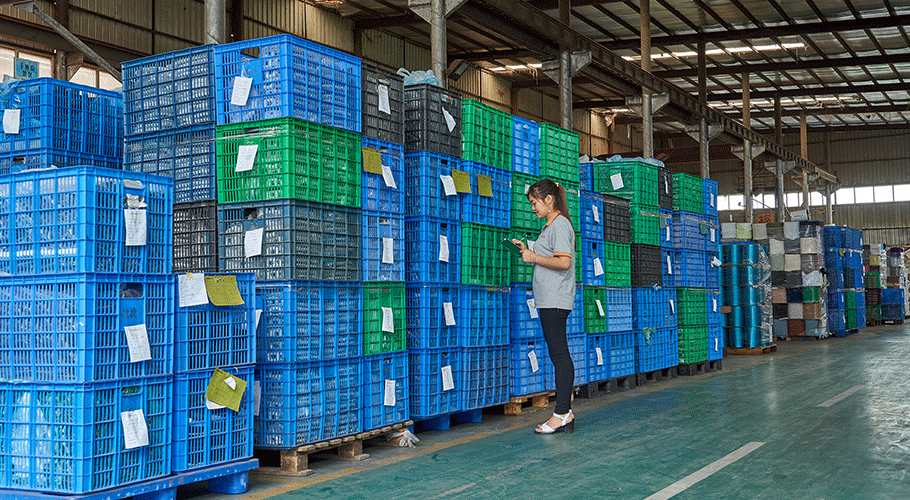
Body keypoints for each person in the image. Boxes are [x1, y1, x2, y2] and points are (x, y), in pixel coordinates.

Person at [511, 179, 576, 434]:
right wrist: (527, 249)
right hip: (549, 299)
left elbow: (564, 262)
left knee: (560, 355)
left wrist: (533, 257)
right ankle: (565, 413)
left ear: (549, 200)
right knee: (557, 354)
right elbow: (548, 253)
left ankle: (561, 413)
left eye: (535, 203)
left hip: (556, 299)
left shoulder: (560, 225)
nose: (533, 208)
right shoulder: (549, 227)